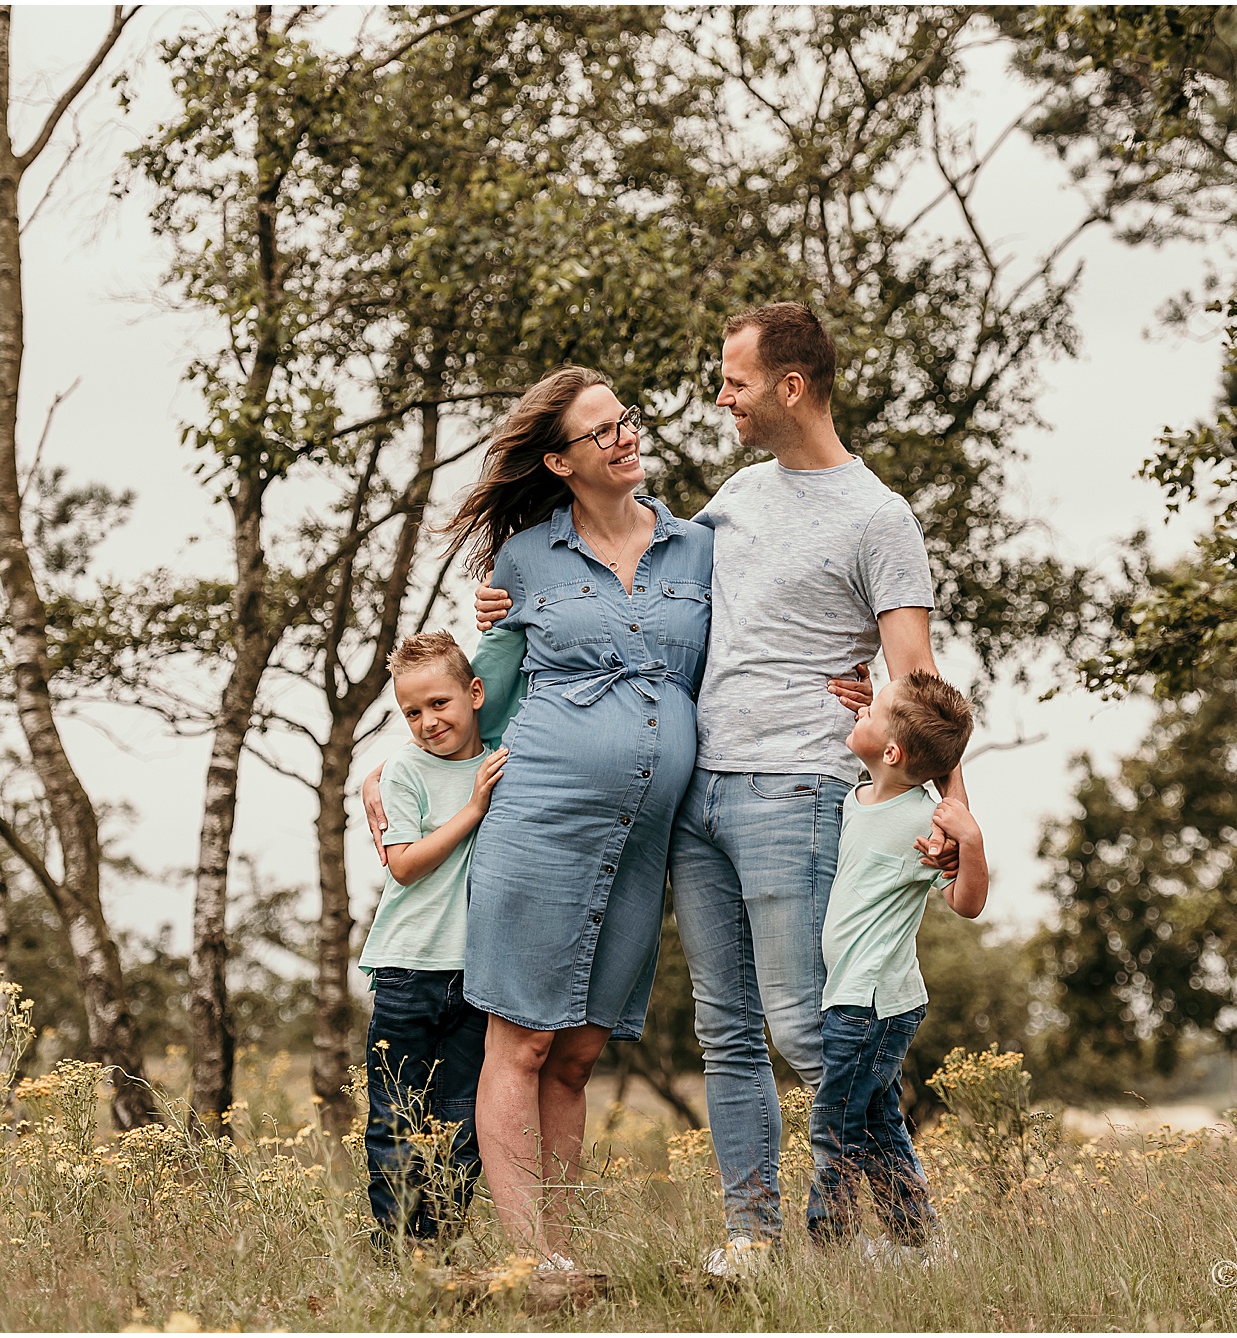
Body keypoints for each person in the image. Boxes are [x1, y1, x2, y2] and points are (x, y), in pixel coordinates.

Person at [469, 302, 982, 1267]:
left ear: (790, 387)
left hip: (797, 788)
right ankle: (751, 1235)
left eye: (735, 381)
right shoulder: (732, 502)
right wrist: (502, 602)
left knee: (807, 1025)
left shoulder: (881, 517)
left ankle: (909, 1233)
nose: (719, 398)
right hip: (696, 799)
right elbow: (632, 571)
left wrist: (950, 802)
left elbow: (918, 681)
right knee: (728, 1038)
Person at [432, 365, 714, 1268]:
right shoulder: (523, 563)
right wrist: (404, 768)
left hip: (641, 838)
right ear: (558, 461)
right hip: (542, 819)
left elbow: (740, 665)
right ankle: (533, 1262)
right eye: (602, 431)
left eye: (625, 419)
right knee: (521, 1041)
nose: (626, 436)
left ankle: (561, 1250)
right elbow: (485, 688)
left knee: (581, 1051)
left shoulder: (698, 549)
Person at [807, 671, 984, 1257]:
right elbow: (897, 733)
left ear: (891, 751)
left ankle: (829, 1250)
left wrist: (971, 841)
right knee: (879, 1121)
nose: (863, 708)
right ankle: (919, 1243)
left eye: (873, 708)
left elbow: (967, 903)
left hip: (873, 1003)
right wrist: (877, 697)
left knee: (835, 1124)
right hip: (853, 995)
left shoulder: (923, 823)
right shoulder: (861, 798)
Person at [357, 631, 508, 1253]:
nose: (427, 722)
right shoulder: (402, 772)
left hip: (479, 973)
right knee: (394, 1113)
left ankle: (438, 1238)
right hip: (408, 966)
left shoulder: (505, 758)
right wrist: (473, 809)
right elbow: (404, 864)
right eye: (411, 712)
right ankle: (395, 1243)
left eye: (439, 704)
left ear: (475, 694)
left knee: (460, 1118)